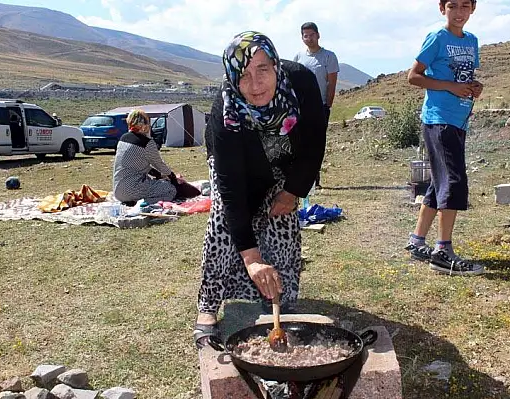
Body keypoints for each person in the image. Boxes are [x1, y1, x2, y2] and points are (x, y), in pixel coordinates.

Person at [193, 31, 326, 348]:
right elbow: (231, 188)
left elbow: (313, 142)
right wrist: (251, 258)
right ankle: (208, 307)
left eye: (262, 70)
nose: (255, 85)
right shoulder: (225, 114)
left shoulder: (301, 83)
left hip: (284, 162)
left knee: (281, 224)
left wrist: (293, 191)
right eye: (244, 75)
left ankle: (278, 304)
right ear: (231, 79)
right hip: (236, 166)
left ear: (276, 66)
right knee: (224, 224)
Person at [405, 0, 484, 276]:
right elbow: (413, 76)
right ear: (442, 9)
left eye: (465, 5)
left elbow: (463, 75)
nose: (459, 12)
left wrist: (474, 87)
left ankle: (417, 241)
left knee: (439, 183)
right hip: (438, 119)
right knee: (453, 181)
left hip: (458, 119)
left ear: (473, 8)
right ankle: (443, 251)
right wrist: (450, 87)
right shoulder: (438, 37)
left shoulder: (472, 41)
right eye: (453, 5)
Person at [293, 21, 339, 188]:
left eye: (312, 35)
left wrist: (327, 106)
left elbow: (331, 84)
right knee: (301, 142)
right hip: (301, 108)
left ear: (318, 35)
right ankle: (300, 178)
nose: (309, 38)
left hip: (320, 106)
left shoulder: (329, 56)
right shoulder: (299, 57)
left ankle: (315, 179)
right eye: (306, 36)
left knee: (316, 142)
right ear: (302, 38)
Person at [112, 109, 181, 204]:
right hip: (132, 190)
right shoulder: (147, 143)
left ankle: (134, 200)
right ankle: (141, 202)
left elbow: (139, 165)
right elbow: (159, 164)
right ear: (144, 125)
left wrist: (158, 175)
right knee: (170, 190)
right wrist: (172, 177)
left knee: (154, 183)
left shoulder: (123, 138)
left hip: (118, 191)